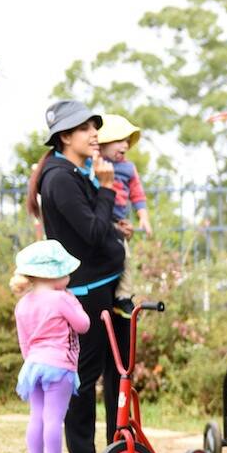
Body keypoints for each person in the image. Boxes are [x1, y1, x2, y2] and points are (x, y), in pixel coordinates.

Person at [25, 100, 129, 453]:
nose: (94, 134)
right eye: (85, 128)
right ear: (65, 136)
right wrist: (106, 188)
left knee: (116, 371)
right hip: (88, 292)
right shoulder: (60, 178)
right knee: (86, 373)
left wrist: (113, 223)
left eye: (94, 126)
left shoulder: (71, 171)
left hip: (104, 287)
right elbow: (92, 233)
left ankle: (118, 449)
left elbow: (94, 230)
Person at [10, 240, 91, 453]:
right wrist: (74, 302)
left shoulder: (23, 303)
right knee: (54, 417)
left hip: (32, 365)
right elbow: (83, 325)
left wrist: (32, 360)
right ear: (54, 275)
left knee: (37, 415)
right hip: (59, 365)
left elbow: (24, 341)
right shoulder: (61, 299)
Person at [96, 113, 152, 317]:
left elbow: (137, 193)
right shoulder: (95, 163)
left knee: (126, 260)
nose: (125, 146)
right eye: (119, 140)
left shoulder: (128, 168)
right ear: (102, 142)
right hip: (101, 219)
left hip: (119, 221)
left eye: (127, 141)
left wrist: (143, 218)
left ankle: (123, 296)